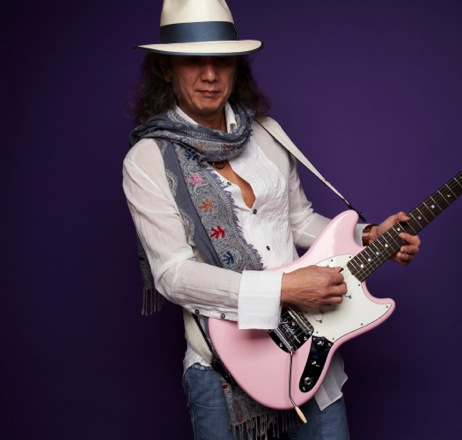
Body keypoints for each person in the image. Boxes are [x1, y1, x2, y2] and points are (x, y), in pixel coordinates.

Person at [122, 1, 421, 439]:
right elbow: (173, 275)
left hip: (310, 349)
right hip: (222, 369)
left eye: (222, 61)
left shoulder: (266, 133)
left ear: (237, 67)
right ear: (166, 69)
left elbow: (297, 221)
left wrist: (368, 234)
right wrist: (283, 289)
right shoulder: (148, 158)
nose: (210, 75)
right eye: (193, 61)